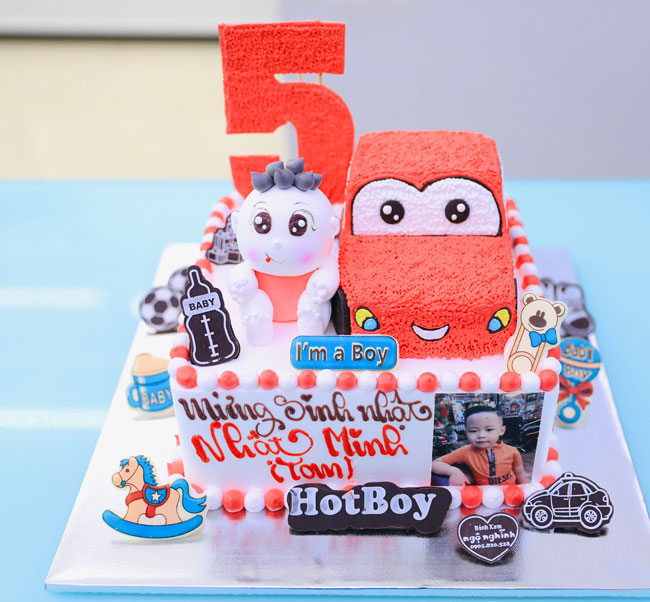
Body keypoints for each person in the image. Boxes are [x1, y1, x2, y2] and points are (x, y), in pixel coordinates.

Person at [431, 405, 529, 486]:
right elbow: (434, 464)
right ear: (466, 433)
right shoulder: (465, 451)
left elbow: (520, 473)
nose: (481, 435)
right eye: (473, 431)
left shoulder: (512, 451)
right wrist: (454, 471)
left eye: (489, 430)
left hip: (511, 494)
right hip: (483, 497)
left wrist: (526, 492)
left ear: (501, 430)